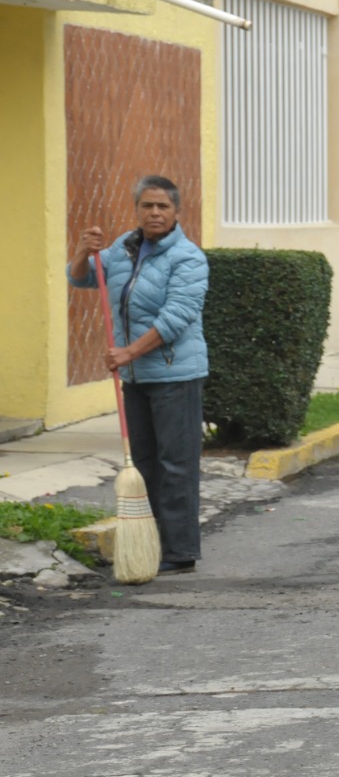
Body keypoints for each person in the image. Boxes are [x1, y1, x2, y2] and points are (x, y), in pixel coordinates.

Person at [67, 175, 209, 576]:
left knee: (175, 463)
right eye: (147, 206)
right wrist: (82, 250)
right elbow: (82, 277)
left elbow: (177, 317)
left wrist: (129, 351)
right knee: (144, 463)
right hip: (135, 377)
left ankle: (180, 551)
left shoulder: (188, 258)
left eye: (163, 206)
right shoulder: (123, 249)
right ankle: (149, 543)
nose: (155, 213)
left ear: (177, 212)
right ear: (137, 210)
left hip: (174, 375)